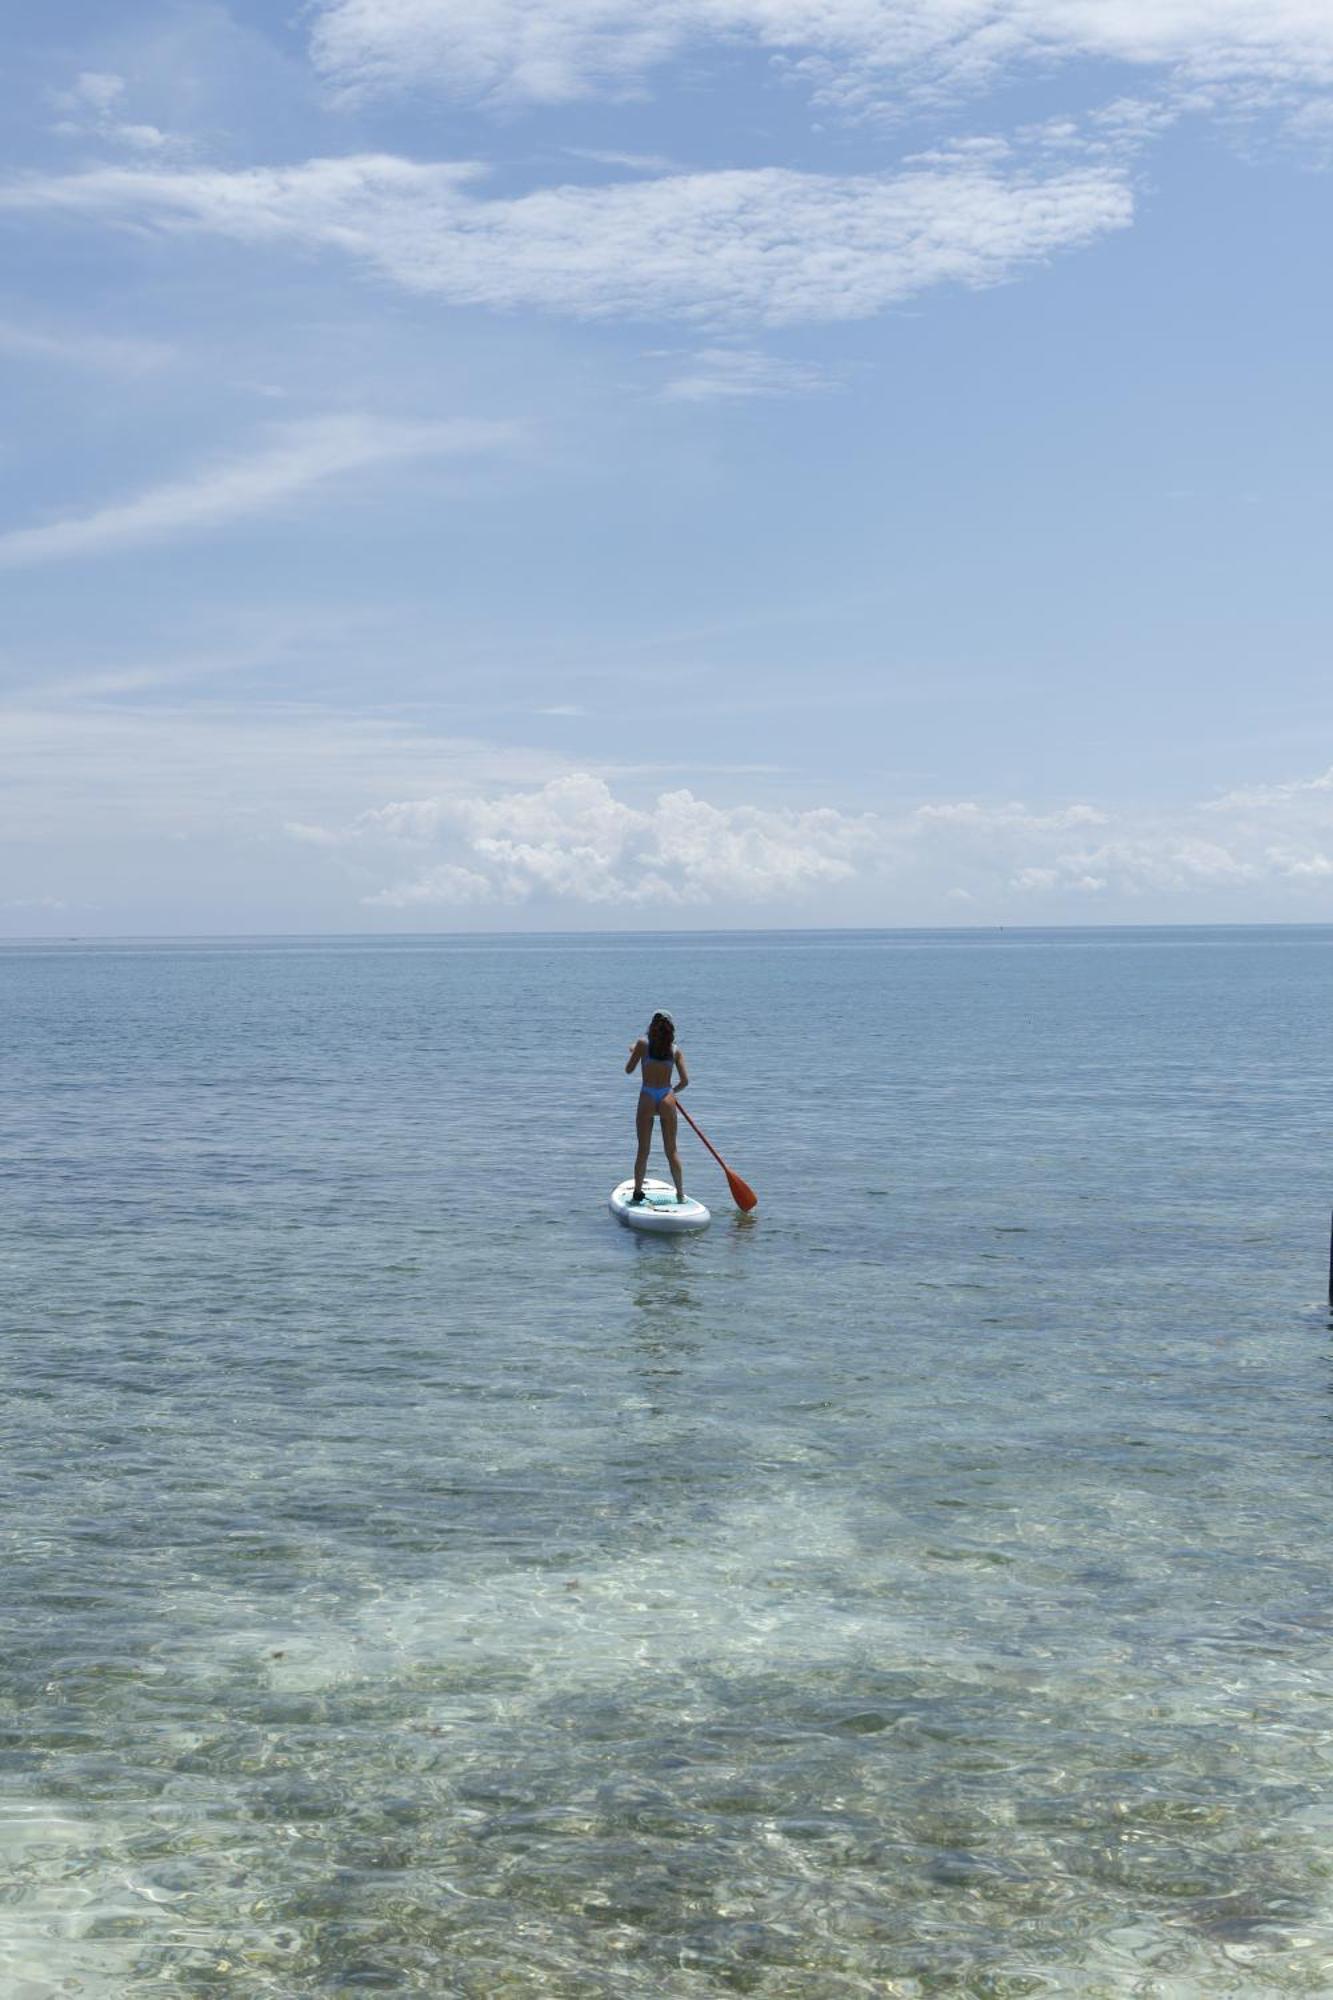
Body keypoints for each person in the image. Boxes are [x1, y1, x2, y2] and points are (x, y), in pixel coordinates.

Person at [625, 1011, 689, 1204]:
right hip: (666, 1097)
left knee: (643, 1150)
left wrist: (634, 1050)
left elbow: (628, 1070)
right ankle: (679, 1194)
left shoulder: (643, 1044)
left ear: (652, 1026)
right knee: (672, 1151)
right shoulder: (675, 1050)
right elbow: (685, 1082)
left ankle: (637, 1192)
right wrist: (671, 1092)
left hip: (647, 1097)